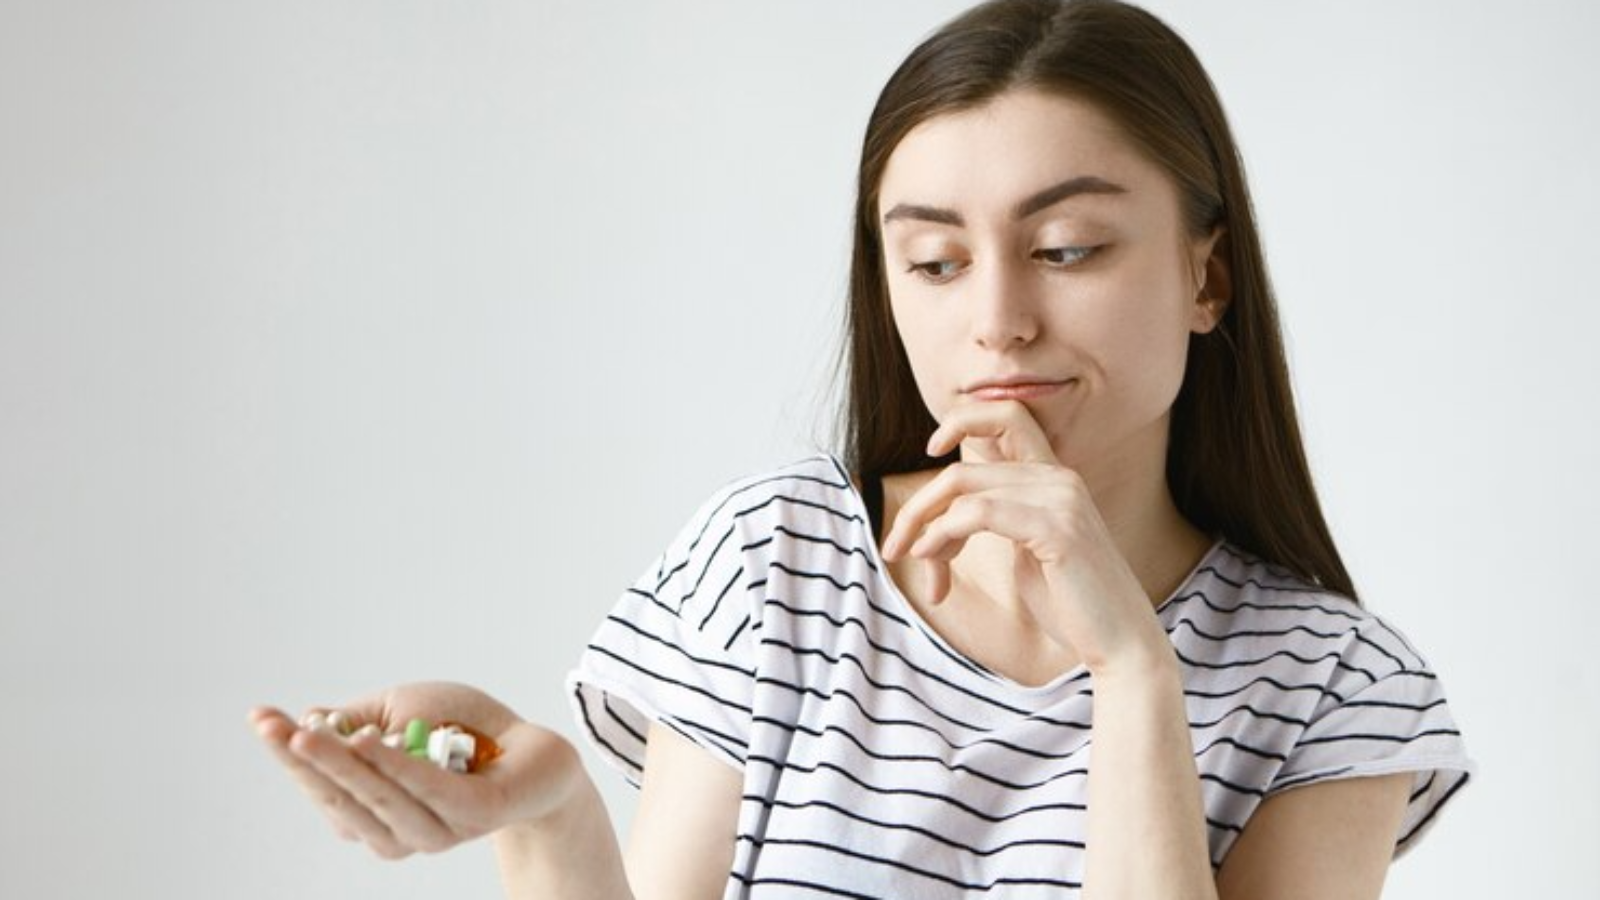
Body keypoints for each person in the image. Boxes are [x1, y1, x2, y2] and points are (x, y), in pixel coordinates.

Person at [250, 0, 1475, 896]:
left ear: (1206, 276)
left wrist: (1131, 669)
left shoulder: (1335, 689)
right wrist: (553, 814)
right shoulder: (771, 561)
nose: (995, 318)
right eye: (935, 262)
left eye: (1065, 250)